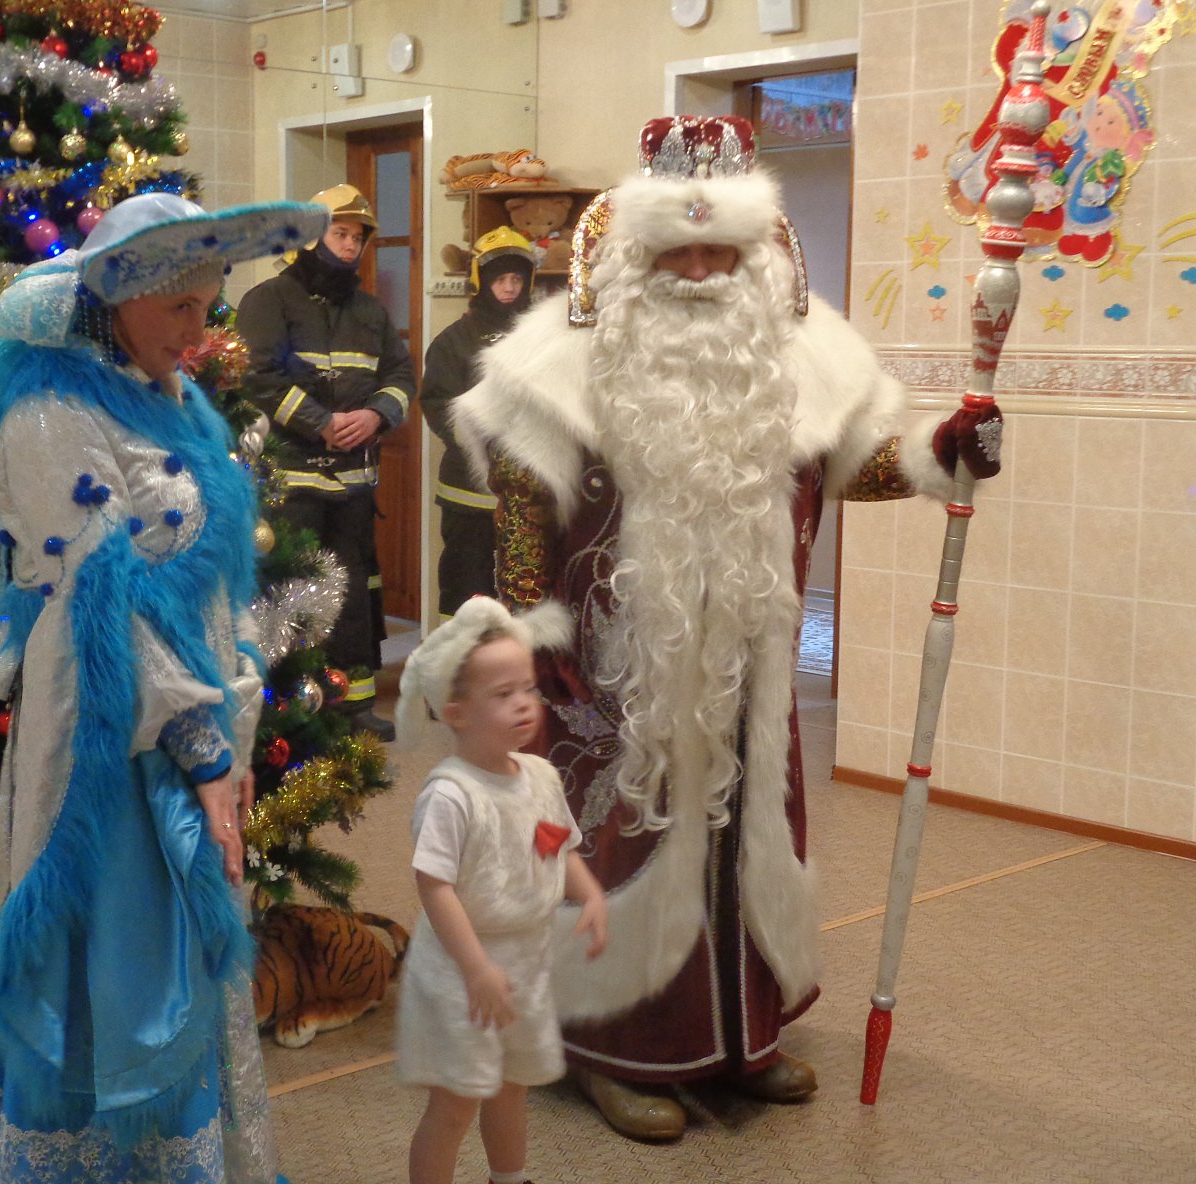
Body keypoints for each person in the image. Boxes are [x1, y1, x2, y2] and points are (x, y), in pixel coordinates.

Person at [454, 116, 1003, 1141]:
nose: (702, 273)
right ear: (638, 255)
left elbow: (855, 464)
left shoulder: (804, 354)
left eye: (721, 252)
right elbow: (523, 499)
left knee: (747, 836)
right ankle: (608, 1046)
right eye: (680, 252)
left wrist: (942, 449)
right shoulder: (556, 361)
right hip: (611, 668)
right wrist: (528, 630)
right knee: (620, 845)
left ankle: (738, 1038)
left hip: (749, 662)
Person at [0, 190, 328, 1184]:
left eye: (208, 305)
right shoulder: (48, 414)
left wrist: (235, 712)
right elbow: (99, 606)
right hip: (105, 749)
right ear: (117, 298)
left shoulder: (171, 395)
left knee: (184, 965)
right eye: (179, 308)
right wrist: (203, 751)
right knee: (116, 970)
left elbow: (222, 568)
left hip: (198, 733)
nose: (199, 332)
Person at [394, 596, 607, 1184]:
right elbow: (434, 886)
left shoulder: (539, 776)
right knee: (456, 1104)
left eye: (529, 688)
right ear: (457, 712)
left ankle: (509, 1178)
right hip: (463, 974)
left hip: (523, 964)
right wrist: (476, 969)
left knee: (512, 1088)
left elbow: (553, 844)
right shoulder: (451, 795)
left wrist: (590, 894)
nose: (523, 703)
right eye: (503, 693)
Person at [235, 183, 416, 741]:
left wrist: (377, 415)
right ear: (312, 237)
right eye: (340, 234)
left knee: (354, 596)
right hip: (293, 484)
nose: (350, 246)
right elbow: (259, 377)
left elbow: (402, 376)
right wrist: (322, 422)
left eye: (358, 237)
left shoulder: (370, 311)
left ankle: (354, 707)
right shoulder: (268, 300)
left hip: (355, 485)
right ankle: (292, 713)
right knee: (293, 594)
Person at [421, 228, 536, 618]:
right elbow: (437, 405)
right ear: (480, 281)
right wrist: (483, 441)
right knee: (465, 588)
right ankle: (459, 657)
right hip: (468, 494)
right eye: (500, 279)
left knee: (525, 591)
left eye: (516, 279)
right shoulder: (452, 342)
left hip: (528, 494)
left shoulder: (539, 338)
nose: (509, 288)